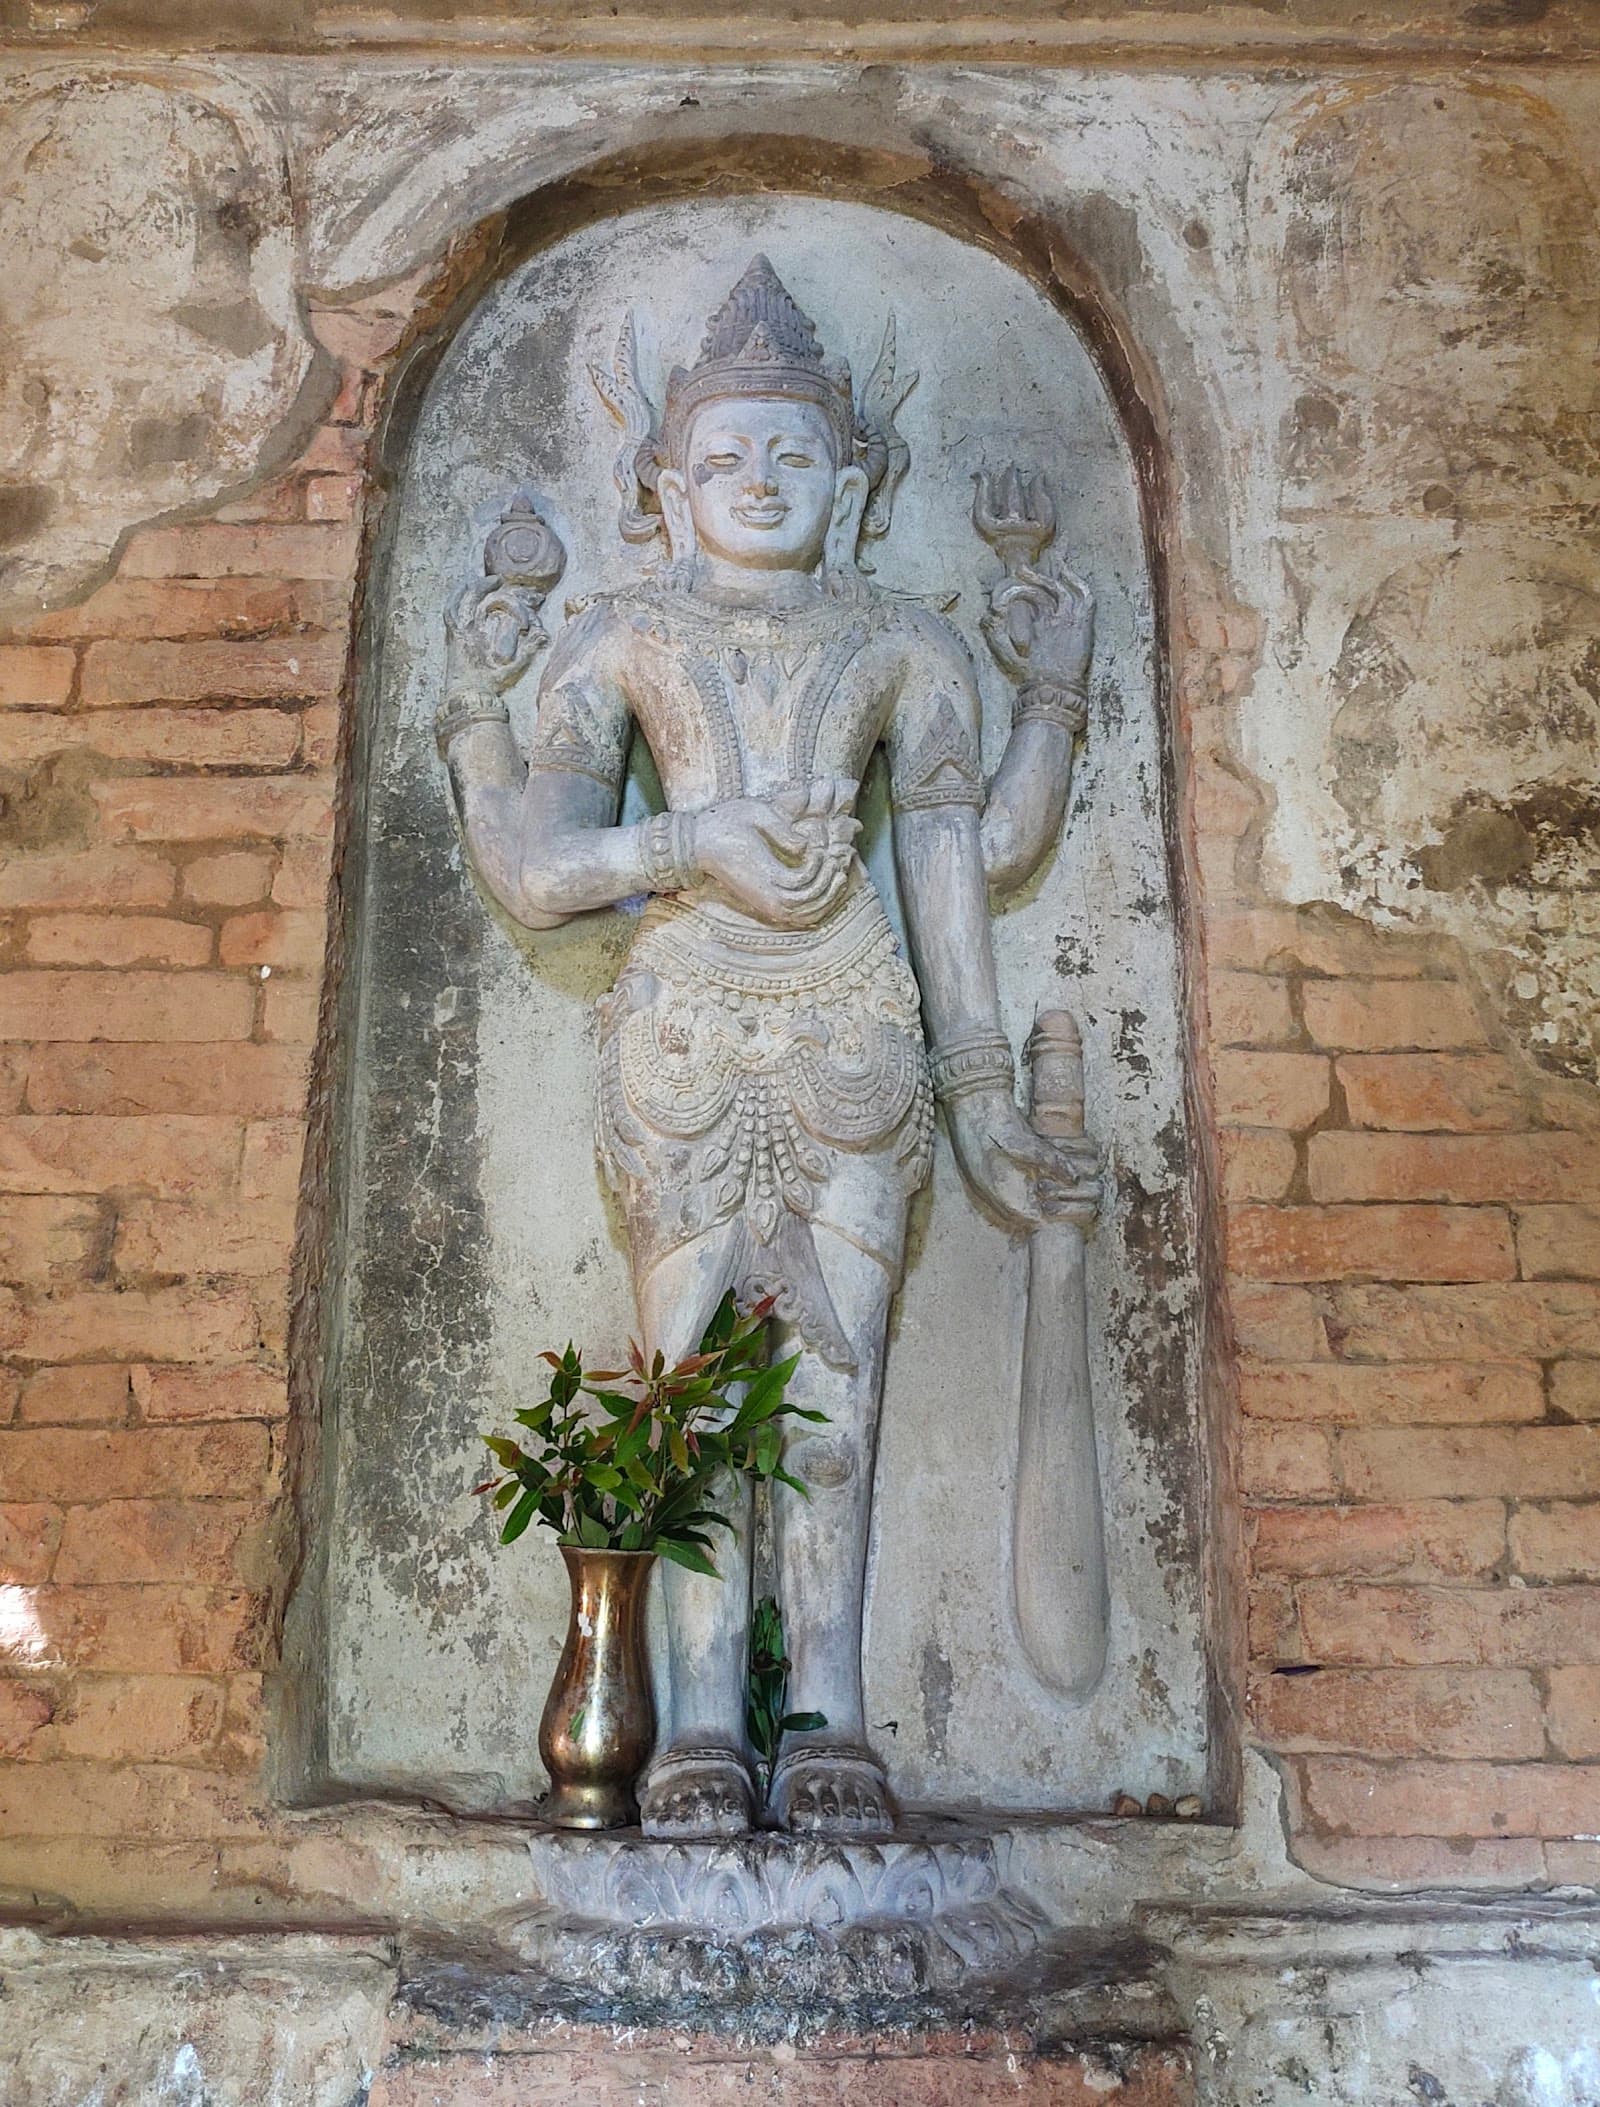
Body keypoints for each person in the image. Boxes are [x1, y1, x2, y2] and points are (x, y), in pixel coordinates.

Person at [438, 257, 1097, 1837]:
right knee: (690, 1392)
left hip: (858, 1032)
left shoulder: (905, 643)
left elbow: (972, 857)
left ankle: (832, 1719)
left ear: (857, 483)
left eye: (796, 456)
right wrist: (690, 836)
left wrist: (1052, 696)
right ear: (662, 485)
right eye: (724, 457)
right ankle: (702, 1733)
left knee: (831, 1395)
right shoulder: (616, 642)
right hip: (679, 1035)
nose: (760, 482)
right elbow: (540, 869)